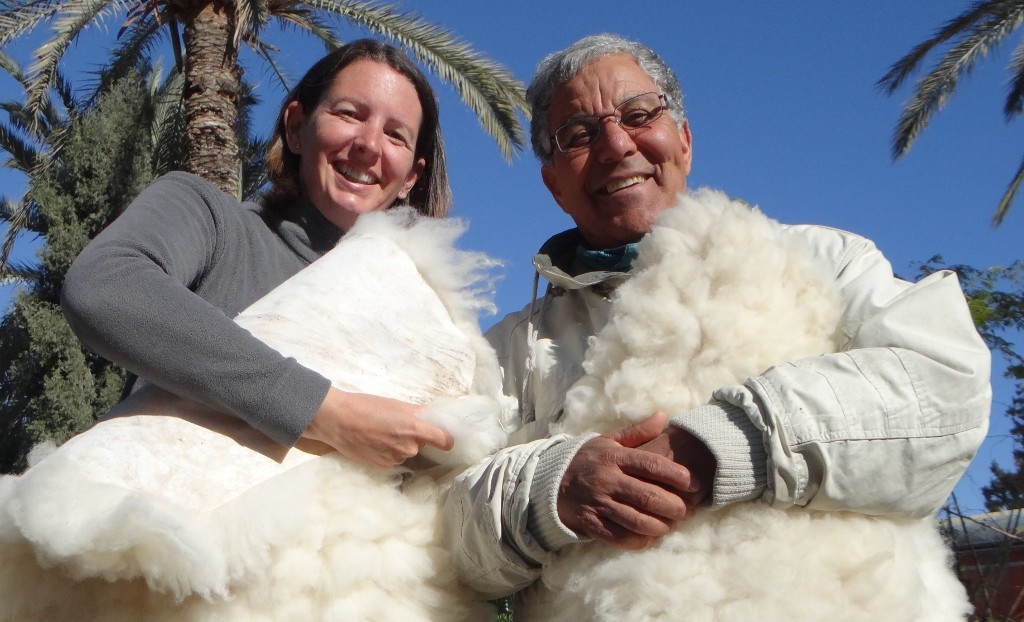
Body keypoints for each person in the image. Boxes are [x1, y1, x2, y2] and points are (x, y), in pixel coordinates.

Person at [444, 33, 991, 598]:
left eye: (638, 114)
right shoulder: (512, 348)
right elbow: (444, 531)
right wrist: (545, 493)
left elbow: (946, 388)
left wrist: (719, 445)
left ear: (683, 140)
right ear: (554, 182)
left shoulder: (821, 260)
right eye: (578, 134)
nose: (614, 145)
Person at [61, 38, 455, 468]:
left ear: (412, 177)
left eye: (395, 135)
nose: (369, 144)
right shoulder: (210, 218)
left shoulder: (423, 321)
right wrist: (326, 412)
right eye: (349, 114)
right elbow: (104, 285)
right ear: (296, 127)